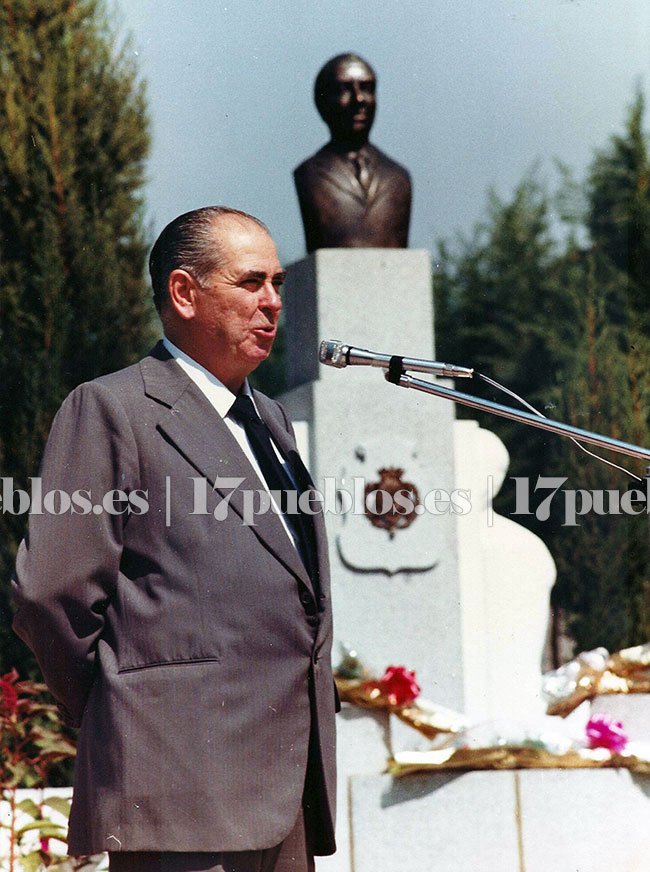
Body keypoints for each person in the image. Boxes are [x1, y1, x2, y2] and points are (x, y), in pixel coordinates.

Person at [12, 207, 337, 872]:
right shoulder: (113, 409)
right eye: (250, 283)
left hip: (285, 794)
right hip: (179, 787)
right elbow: (50, 595)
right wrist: (121, 715)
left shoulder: (268, 420)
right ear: (184, 293)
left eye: (277, 283)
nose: (272, 302)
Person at [293, 53, 412, 252]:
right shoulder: (309, 173)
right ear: (322, 101)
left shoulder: (398, 176)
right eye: (344, 89)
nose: (359, 100)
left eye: (366, 88)